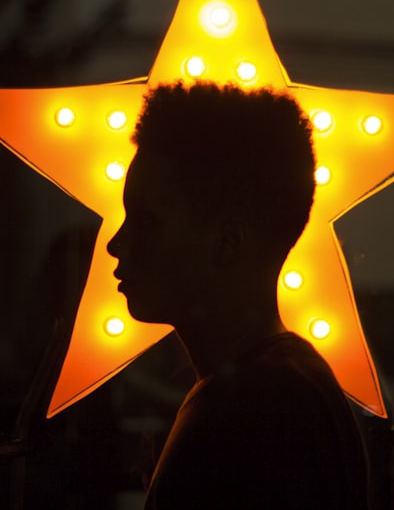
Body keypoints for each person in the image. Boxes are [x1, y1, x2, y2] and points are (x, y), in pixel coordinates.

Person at [107, 81, 370, 510]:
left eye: (146, 222)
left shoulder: (246, 417)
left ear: (228, 243)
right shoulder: (289, 384)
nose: (115, 244)